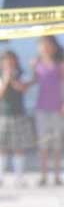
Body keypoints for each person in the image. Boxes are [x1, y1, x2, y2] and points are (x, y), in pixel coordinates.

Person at [0, 49, 35, 188]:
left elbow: (24, 88)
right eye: (6, 61)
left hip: (19, 114)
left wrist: (14, 79)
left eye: (11, 60)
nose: (9, 63)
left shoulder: (22, 74)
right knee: (0, 146)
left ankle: (19, 177)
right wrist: (5, 79)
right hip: (4, 115)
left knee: (19, 146)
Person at [31, 35, 64, 186]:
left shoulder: (60, 64)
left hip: (57, 107)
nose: (44, 48)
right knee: (43, 142)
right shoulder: (37, 64)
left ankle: (57, 175)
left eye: (47, 45)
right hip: (41, 107)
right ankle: (43, 174)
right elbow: (32, 82)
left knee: (57, 142)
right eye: (42, 45)